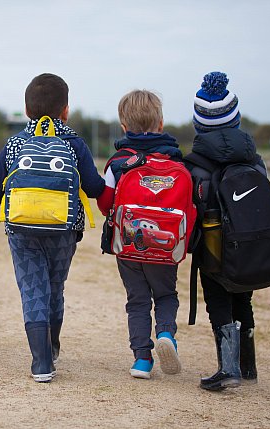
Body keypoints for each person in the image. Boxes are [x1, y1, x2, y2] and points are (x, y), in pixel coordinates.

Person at [0, 73, 105, 382]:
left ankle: (41, 362)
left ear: (26, 110)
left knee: (32, 289)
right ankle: (52, 345)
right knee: (54, 287)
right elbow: (91, 186)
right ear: (66, 110)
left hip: (21, 229)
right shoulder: (74, 143)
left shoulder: (15, 144)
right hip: (64, 229)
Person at [96, 90, 183, 379]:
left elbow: (105, 204)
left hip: (129, 245)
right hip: (166, 247)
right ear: (160, 124)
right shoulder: (177, 163)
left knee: (138, 300)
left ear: (123, 127)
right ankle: (167, 333)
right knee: (166, 294)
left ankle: (142, 360)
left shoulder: (118, 163)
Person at [184, 71, 262, 390]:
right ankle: (248, 366)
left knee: (218, 300)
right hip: (250, 246)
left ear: (198, 124)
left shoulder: (196, 164)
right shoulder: (255, 160)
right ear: (236, 119)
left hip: (214, 250)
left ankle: (228, 368)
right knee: (243, 299)